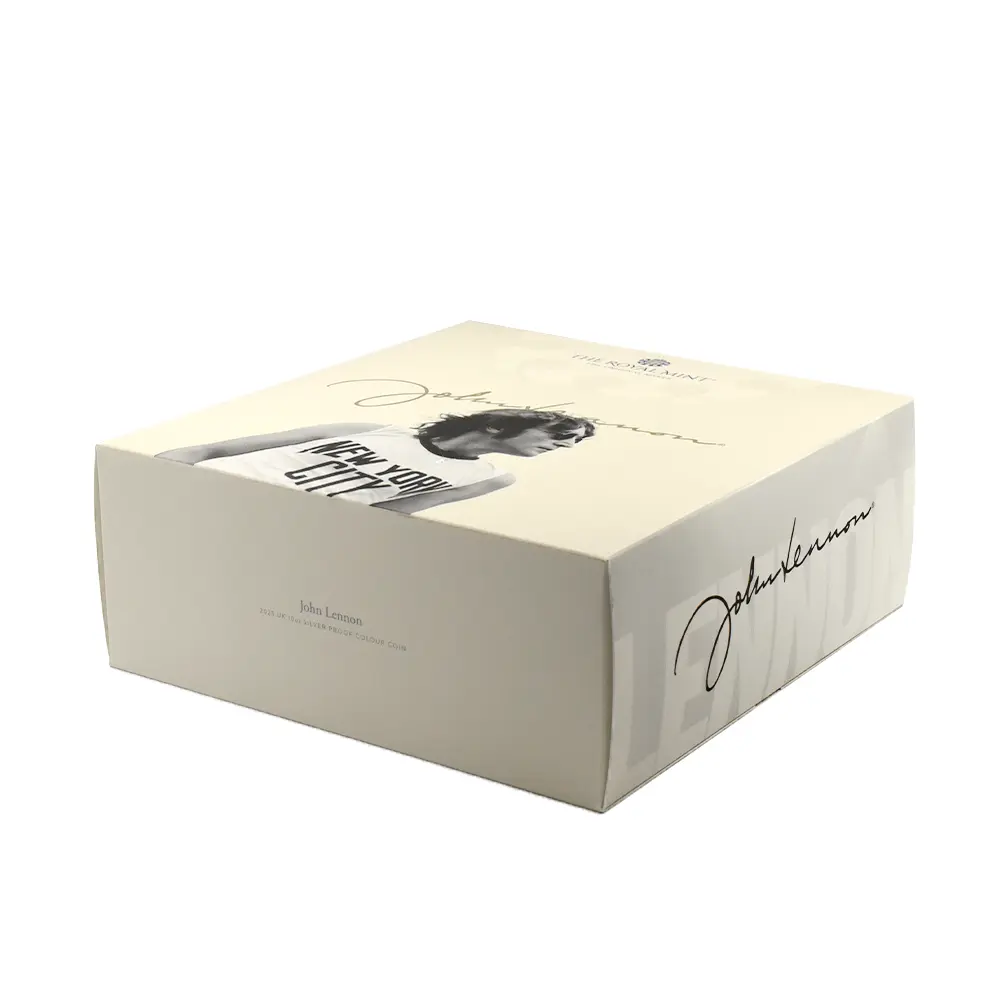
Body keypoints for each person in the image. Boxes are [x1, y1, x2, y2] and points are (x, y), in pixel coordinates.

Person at [155, 408, 595, 514]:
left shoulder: (490, 477)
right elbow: (211, 450)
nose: (565, 447)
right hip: (202, 492)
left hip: (269, 526)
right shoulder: (372, 430)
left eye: (573, 444)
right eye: (559, 436)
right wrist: (146, 479)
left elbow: (382, 519)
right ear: (498, 426)